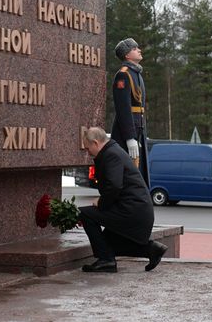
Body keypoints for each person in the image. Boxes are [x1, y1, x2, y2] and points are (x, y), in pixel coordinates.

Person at [79, 127, 167, 273]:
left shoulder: (110, 155)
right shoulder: (113, 151)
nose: (88, 153)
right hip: (135, 209)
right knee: (107, 242)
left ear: (95, 143)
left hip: (132, 211)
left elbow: (114, 186)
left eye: (88, 149)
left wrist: (100, 202)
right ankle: (151, 249)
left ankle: (106, 260)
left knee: (86, 214)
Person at [111, 38, 150, 187]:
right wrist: (129, 137)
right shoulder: (123, 75)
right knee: (127, 175)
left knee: (138, 173)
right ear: (127, 55)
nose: (139, 50)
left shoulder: (137, 74)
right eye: (135, 49)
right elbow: (123, 108)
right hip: (127, 133)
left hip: (138, 129)